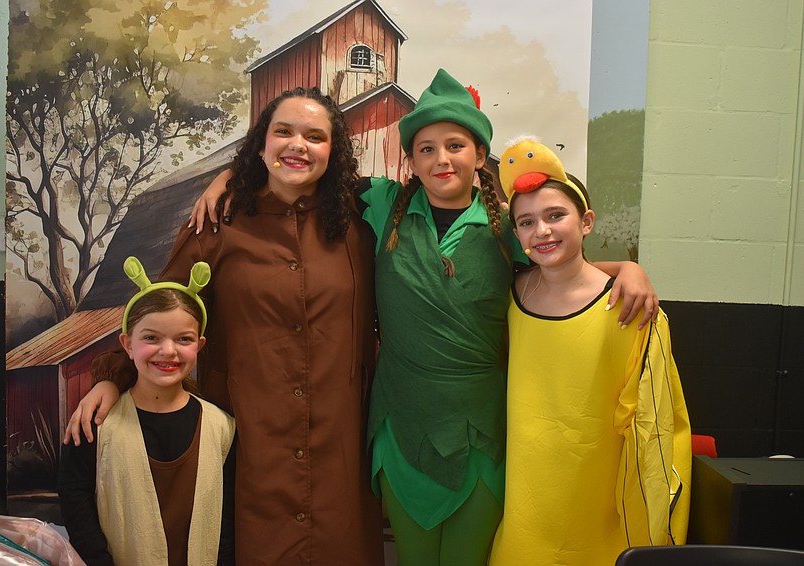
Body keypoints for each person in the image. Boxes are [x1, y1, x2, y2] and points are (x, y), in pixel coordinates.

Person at [185, 70, 660, 566]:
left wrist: (627, 268)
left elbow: (564, 265)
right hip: (400, 426)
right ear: (410, 159)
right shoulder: (379, 203)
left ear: (480, 154)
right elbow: (301, 170)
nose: (441, 159)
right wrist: (227, 178)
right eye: (426, 149)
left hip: (482, 431)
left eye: (455, 146)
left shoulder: (506, 226)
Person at [64, 87, 385, 566]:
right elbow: (159, 310)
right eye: (283, 131)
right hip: (248, 443)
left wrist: (228, 174)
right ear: (261, 143)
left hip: (340, 445)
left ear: (333, 151)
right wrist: (112, 377)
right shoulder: (217, 222)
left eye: (315, 136)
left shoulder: (363, 223)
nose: (298, 145)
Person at [488, 139, 691, 566]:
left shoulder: (632, 308)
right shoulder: (510, 296)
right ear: (516, 234)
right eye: (526, 222)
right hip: (526, 499)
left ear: (586, 222)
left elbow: (656, 426)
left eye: (555, 215)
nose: (542, 231)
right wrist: (628, 265)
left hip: (601, 499)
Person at [58, 256, 236, 566]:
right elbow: (76, 500)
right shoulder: (95, 423)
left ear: (199, 345)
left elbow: (228, 521)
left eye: (184, 339)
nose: (168, 351)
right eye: (151, 337)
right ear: (128, 344)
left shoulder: (222, 428)